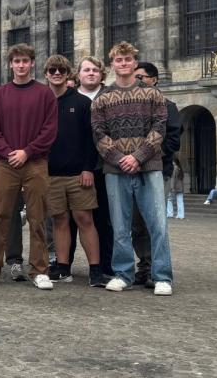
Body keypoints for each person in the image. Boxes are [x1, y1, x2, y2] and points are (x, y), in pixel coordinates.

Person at [0, 44, 58, 290]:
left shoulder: (45, 94)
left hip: (36, 163)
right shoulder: (0, 94)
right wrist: (9, 153)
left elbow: (49, 130)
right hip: (5, 163)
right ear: (10, 65)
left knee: (37, 217)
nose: (20, 65)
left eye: (25, 61)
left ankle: (40, 270)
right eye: (16, 61)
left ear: (32, 64)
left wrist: (27, 152)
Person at [91, 42, 173, 296]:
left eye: (128, 60)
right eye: (119, 60)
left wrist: (137, 157)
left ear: (134, 63)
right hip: (115, 170)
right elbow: (98, 133)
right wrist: (119, 158)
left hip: (149, 167)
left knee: (157, 223)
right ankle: (123, 273)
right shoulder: (102, 98)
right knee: (120, 224)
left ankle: (162, 276)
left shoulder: (152, 95)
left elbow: (160, 128)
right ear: (112, 64)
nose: (123, 64)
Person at [42, 54, 104, 287]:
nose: (57, 74)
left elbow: (91, 140)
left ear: (69, 74)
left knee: (84, 218)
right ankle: (63, 266)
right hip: (51, 174)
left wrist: (88, 168)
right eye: (52, 70)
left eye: (61, 70)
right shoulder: (42, 102)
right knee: (59, 220)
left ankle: (95, 269)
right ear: (46, 74)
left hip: (79, 173)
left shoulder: (81, 103)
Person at [130, 61, 182, 288]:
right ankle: (144, 265)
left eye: (142, 77)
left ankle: (156, 268)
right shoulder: (129, 105)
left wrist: (144, 156)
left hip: (158, 171)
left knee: (155, 222)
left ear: (155, 80)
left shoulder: (168, 106)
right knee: (136, 224)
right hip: (132, 171)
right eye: (136, 77)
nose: (138, 81)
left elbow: (172, 141)